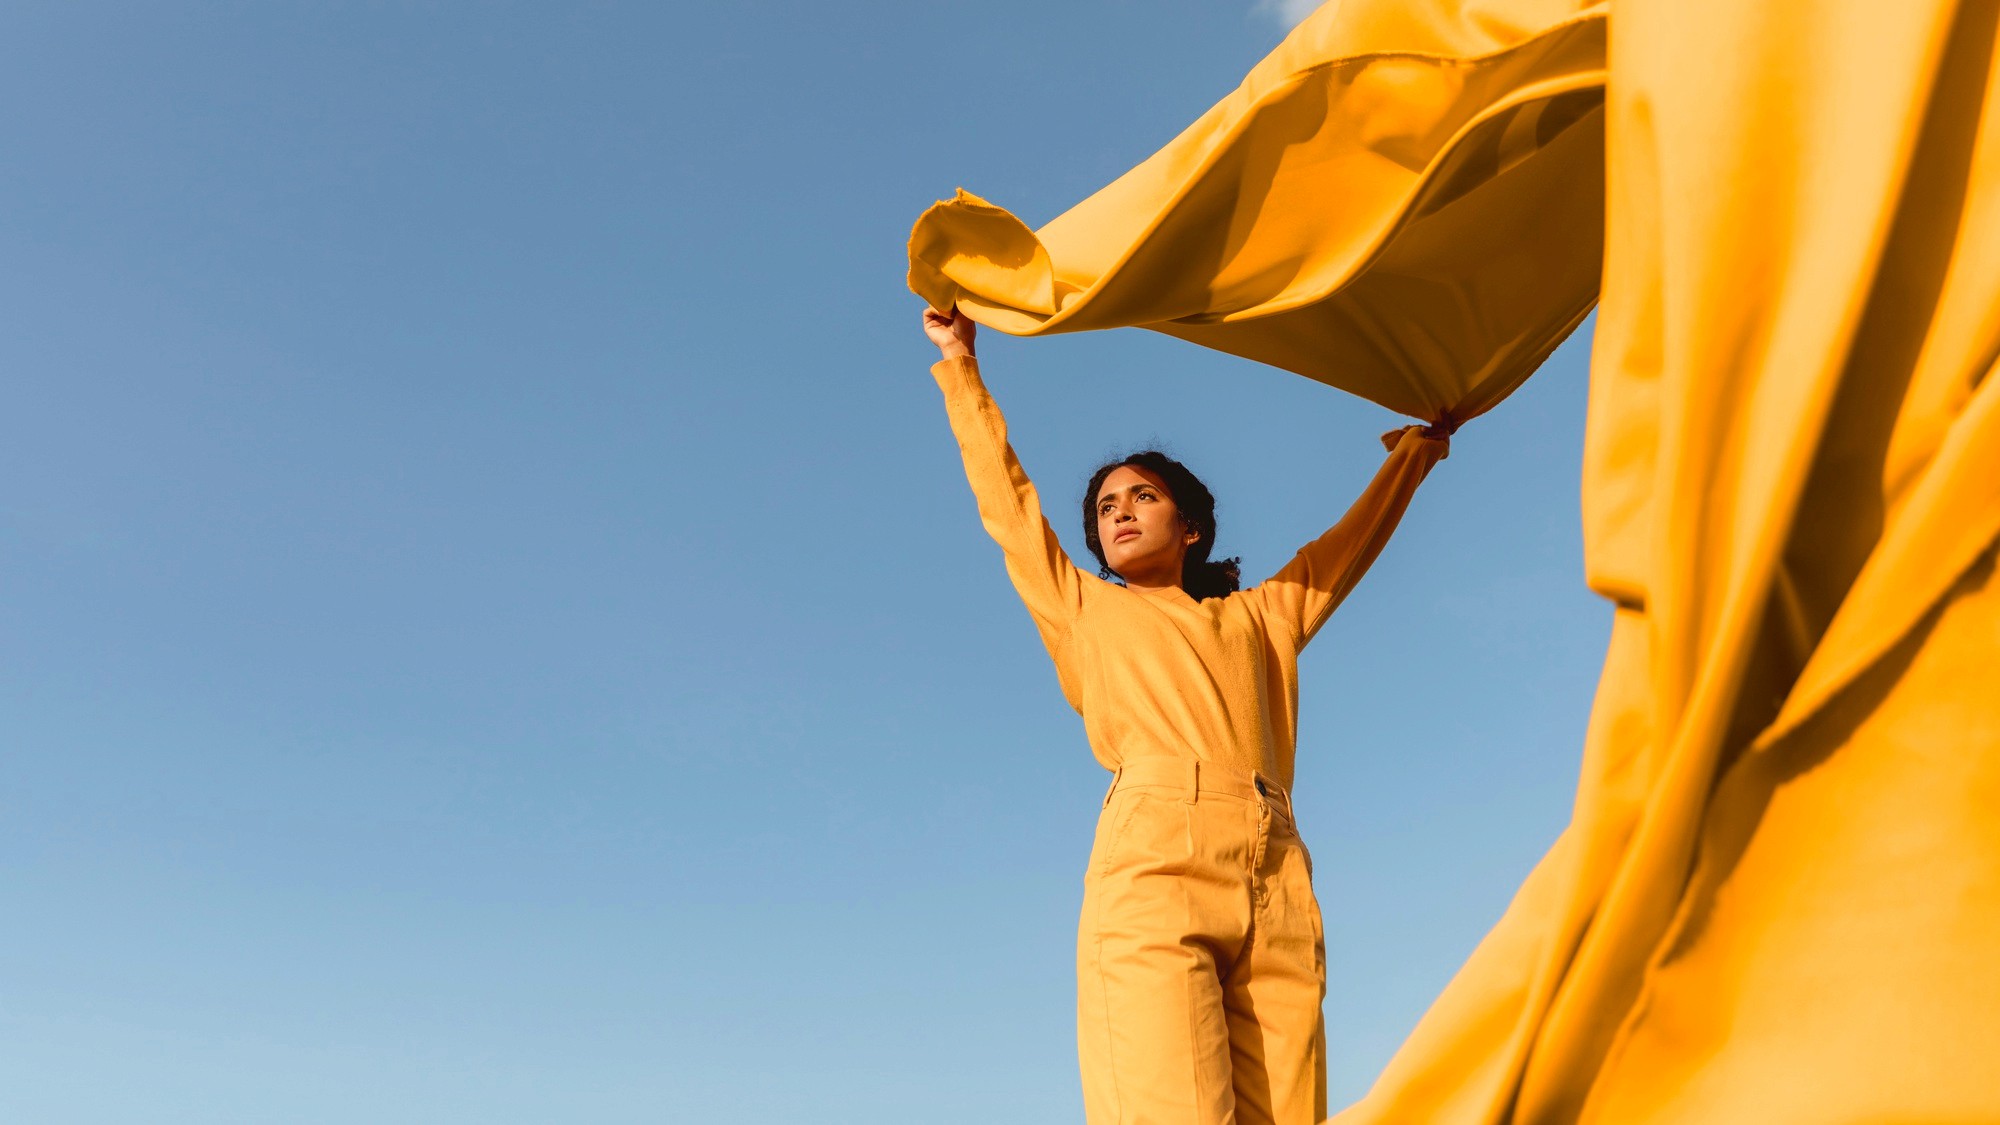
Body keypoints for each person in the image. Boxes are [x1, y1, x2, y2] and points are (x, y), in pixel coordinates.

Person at [922, 305, 1451, 1125]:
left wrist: (1420, 446)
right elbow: (1009, 505)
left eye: (1144, 495)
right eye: (1105, 507)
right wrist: (961, 366)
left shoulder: (1263, 616)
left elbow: (1349, 544)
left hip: (1276, 863)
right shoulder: (1083, 608)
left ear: (1191, 526)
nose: (1121, 510)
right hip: (1154, 861)